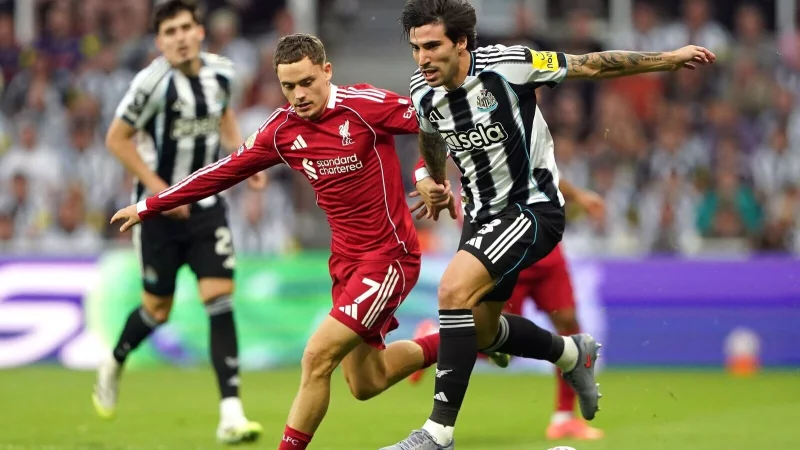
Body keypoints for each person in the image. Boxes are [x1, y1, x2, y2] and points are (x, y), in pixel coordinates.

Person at [383, 0, 716, 448]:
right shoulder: (423, 91)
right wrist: (435, 181)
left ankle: (437, 433)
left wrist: (668, 59)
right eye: (415, 48)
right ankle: (571, 352)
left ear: (461, 42)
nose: (422, 58)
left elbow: (591, 67)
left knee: (451, 291)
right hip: (481, 217)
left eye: (432, 46)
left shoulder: (510, 65)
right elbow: (429, 133)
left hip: (533, 210)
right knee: (481, 333)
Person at [109, 33, 443, 450]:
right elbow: (221, 171)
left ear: (327, 71)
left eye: (307, 82)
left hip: (388, 257)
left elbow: (435, 117)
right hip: (344, 264)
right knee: (365, 381)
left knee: (316, 357)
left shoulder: (365, 106)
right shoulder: (281, 130)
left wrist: (429, 176)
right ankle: (459, 339)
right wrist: (150, 205)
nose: (299, 95)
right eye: (289, 87)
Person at [93, 0, 264, 444]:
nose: (181, 37)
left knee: (219, 298)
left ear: (200, 32)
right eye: (170, 32)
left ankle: (231, 414)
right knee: (157, 310)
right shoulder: (150, 84)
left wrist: (246, 158)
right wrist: (159, 191)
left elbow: (224, 115)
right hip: (155, 216)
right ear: (159, 41)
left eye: (187, 27)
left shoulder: (223, 73)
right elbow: (117, 138)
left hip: (206, 208)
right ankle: (114, 361)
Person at [408, 175, 607, 441]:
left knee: (569, 323)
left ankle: (564, 418)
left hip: (547, 253)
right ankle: (434, 338)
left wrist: (578, 195)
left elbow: (544, 172)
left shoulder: (523, 143)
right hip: (510, 252)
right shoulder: (485, 162)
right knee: (496, 344)